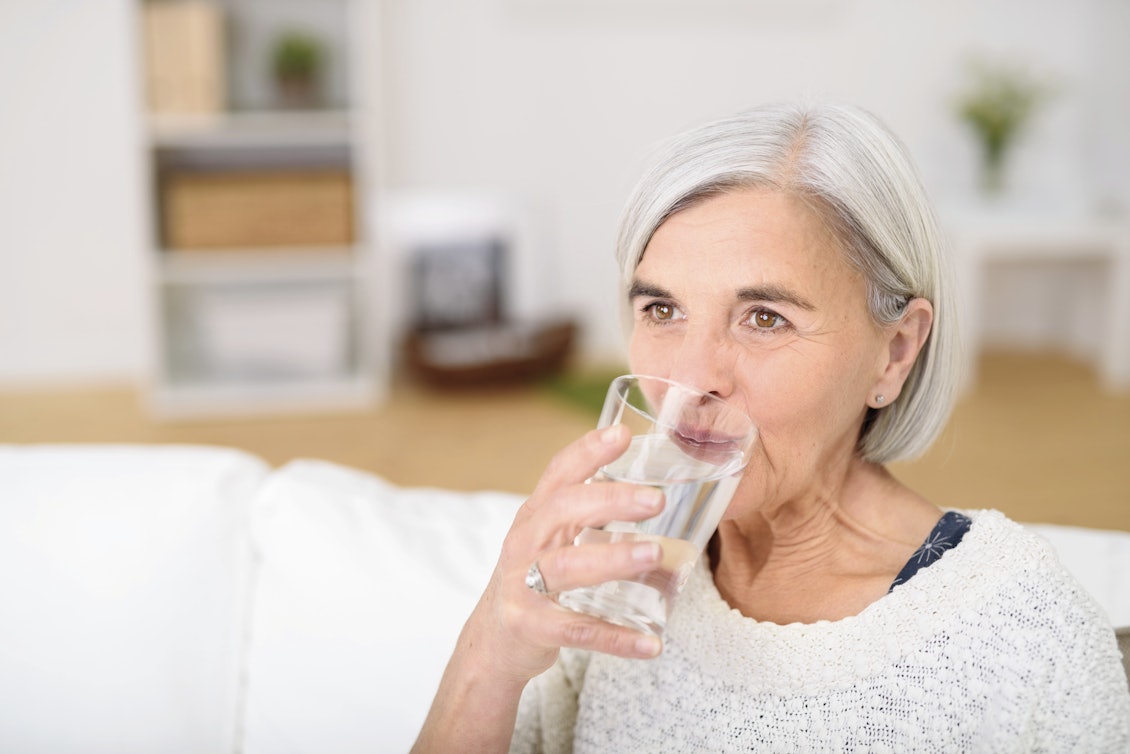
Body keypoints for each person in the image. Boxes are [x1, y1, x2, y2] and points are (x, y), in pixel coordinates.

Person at [412, 102, 1130, 752]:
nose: (692, 380)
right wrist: (489, 654)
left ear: (896, 351)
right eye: (662, 310)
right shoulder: (601, 578)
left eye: (765, 318)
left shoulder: (1024, 636)